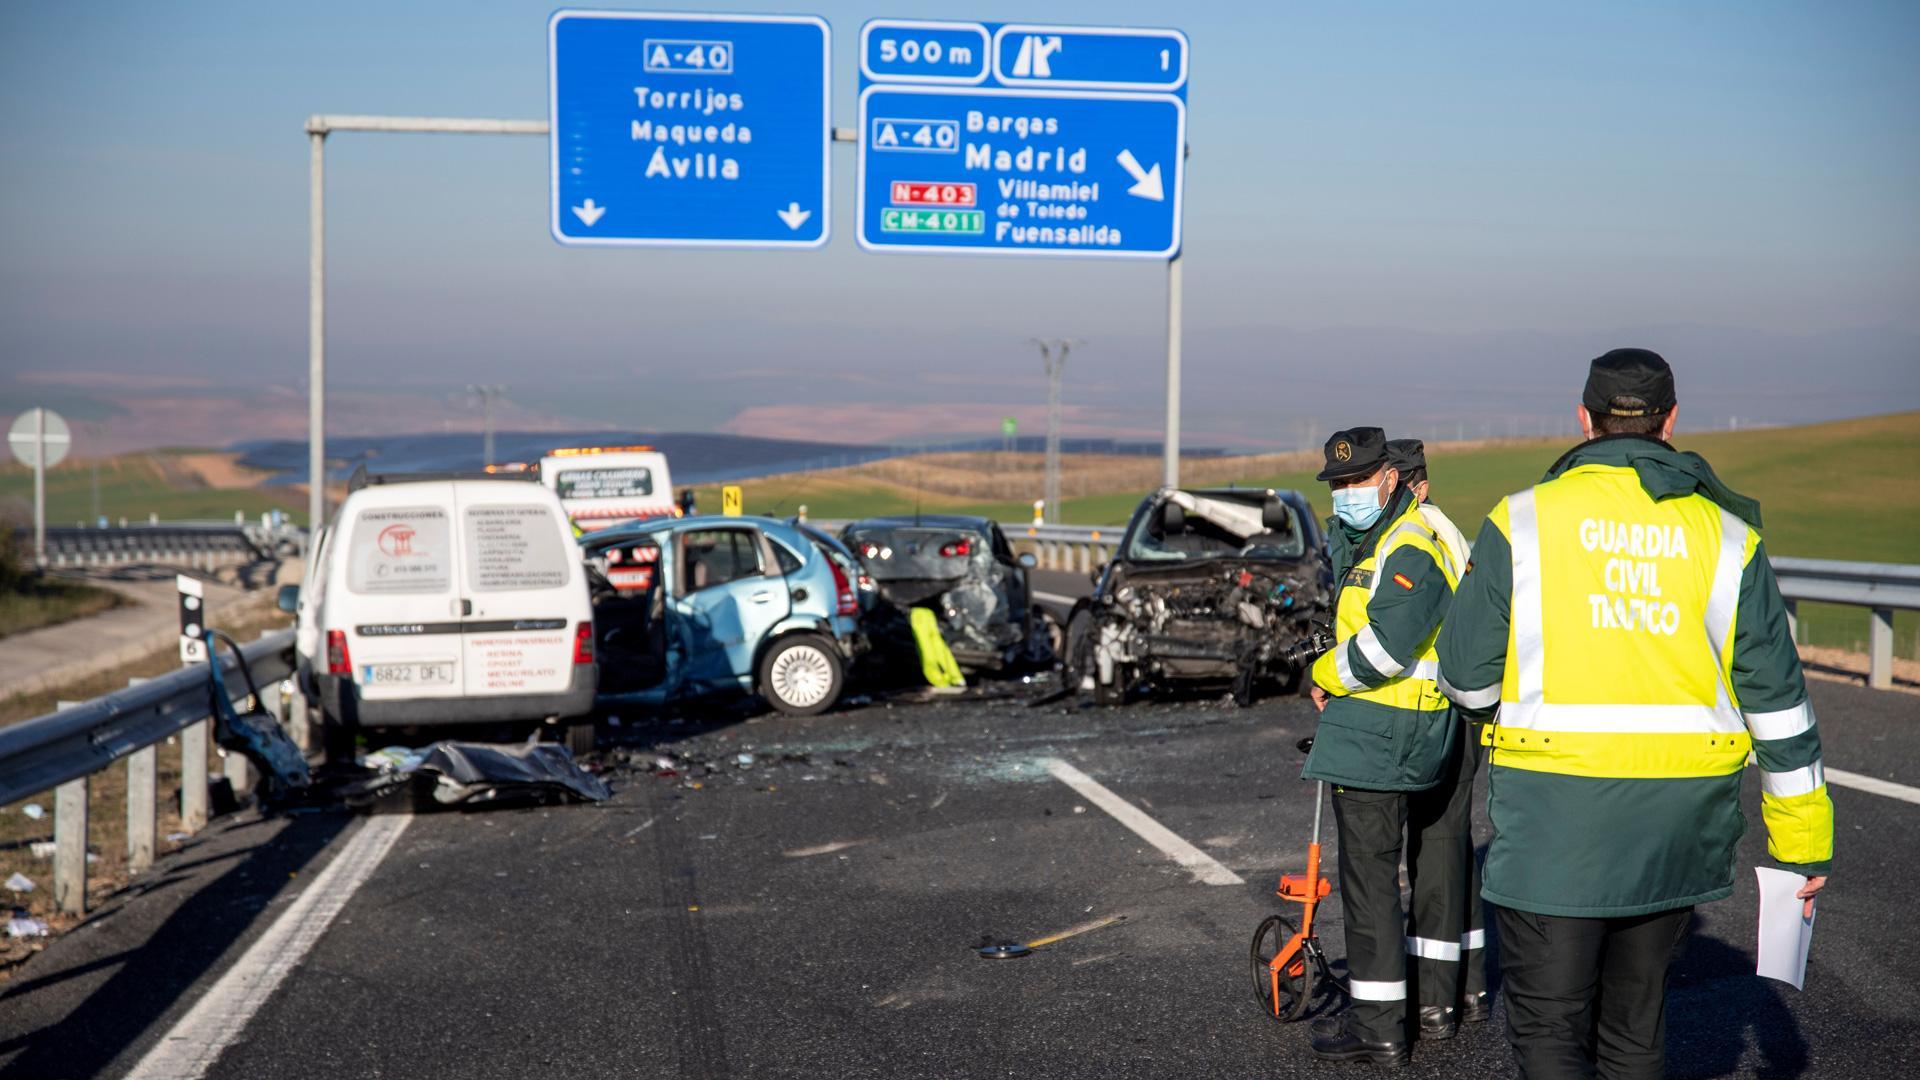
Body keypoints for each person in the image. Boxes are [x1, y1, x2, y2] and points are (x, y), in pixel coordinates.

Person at [1436, 349, 1833, 1079]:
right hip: (1677, 825)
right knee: (1634, 1028)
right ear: (1671, 420)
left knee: (1551, 1029)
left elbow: (1463, 681)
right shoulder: (1728, 537)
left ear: (1583, 419)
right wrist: (1802, 846)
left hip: (1556, 819)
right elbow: (1778, 706)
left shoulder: (1521, 520)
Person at [1302, 426, 1462, 1067]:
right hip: (1402, 728)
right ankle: (1430, 1009)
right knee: (1421, 872)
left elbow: (1388, 649)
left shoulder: (1409, 542)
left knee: (1369, 886)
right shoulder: (1395, 534)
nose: (1346, 494)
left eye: (1357, 480)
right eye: (1338, 483)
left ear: (1390, 478)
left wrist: (1322, 674)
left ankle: (1379, 1032)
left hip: (1381, 732)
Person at [1384, 438, 1489, 1035]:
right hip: (1459, 711)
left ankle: (1434, 1001)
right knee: (1451, 852)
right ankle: (1470, 985)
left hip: (1438, 714)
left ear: (1416, 485)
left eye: (1394, 484)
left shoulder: (1421, 534)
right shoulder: (1447, 530)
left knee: (1437, 858)